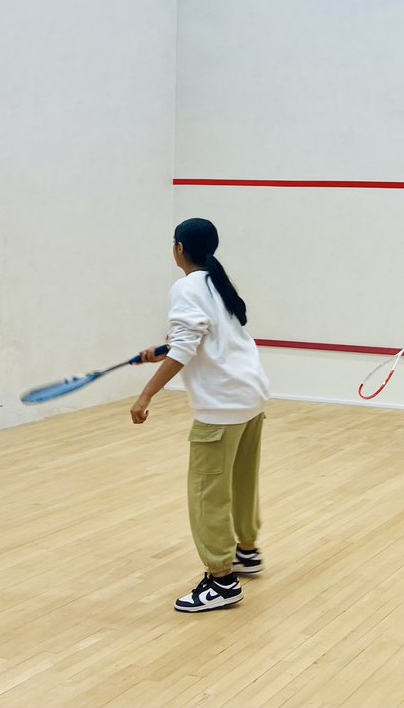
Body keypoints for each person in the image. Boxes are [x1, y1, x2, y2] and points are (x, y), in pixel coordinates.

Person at [131, 218, 271, 613]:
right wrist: (159, 352)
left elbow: (186, 348)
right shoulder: (215, 282)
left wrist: (146, 395)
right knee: (241, 482)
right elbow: (203, 339)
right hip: (251, 397)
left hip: (221, 407)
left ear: (179, 249)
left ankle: (222, 581)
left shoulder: (185, 286)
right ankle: (246, 551)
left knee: (207, 494)